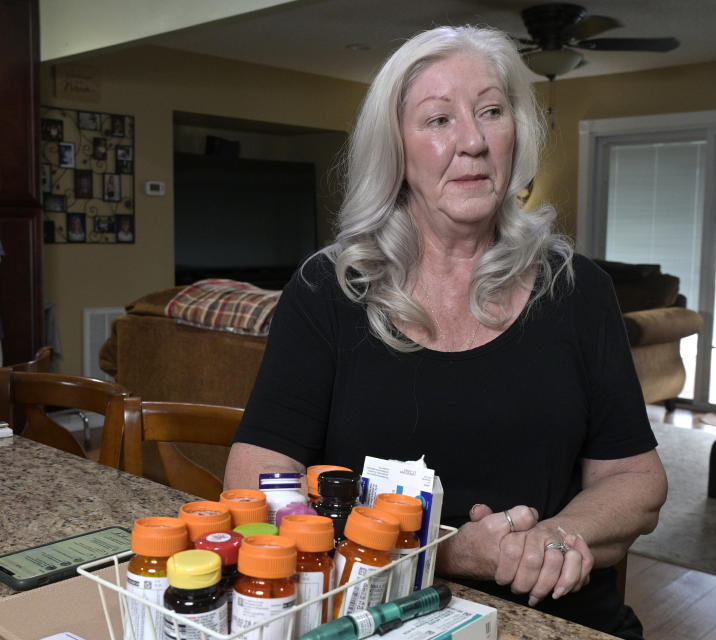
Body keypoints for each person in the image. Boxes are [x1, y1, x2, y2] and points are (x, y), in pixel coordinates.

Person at [225, 26, 666, 639]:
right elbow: (253, 486)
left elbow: (636, 480)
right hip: (380, 615)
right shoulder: (327, 292)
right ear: (395, 149)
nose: (474, 141)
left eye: (492, 111)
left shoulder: (578, 289)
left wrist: (547, 541)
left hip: (558, 619)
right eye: (438, 120)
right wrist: (447, 552)